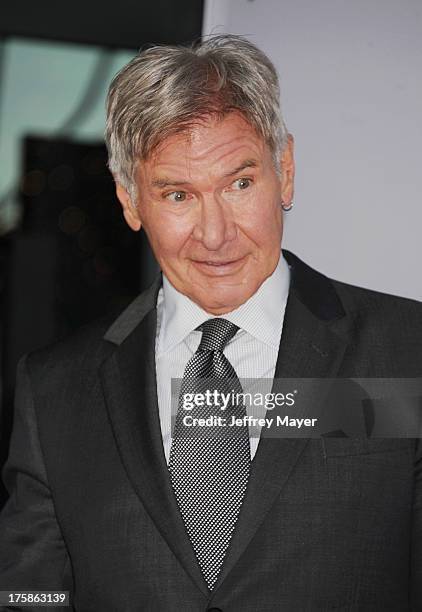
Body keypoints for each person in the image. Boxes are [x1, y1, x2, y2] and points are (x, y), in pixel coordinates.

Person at [0, 34, 421, 611]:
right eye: (177, 195)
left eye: (240, 184)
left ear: (286, 171)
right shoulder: (53, 390)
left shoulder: (406, 351)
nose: (216, 233)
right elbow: (30, 595)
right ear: (129, 201)